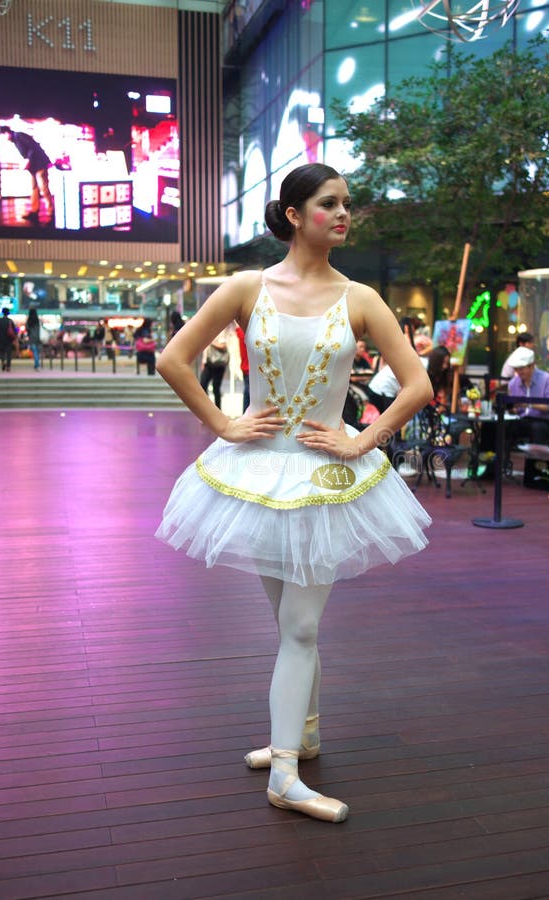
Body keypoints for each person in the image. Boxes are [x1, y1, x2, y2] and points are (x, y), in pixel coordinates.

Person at [155, 162, 432, 824]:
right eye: (328, 203)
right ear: (291, 214)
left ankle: (285, 768)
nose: (343, 214)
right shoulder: (247, 286)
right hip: (255, 469)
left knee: (299, 625)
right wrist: (222, 422)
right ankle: (299, 739)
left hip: (325, 476)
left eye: (346, 204)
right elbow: (172, 359)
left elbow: (417, 384)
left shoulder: (360, 297)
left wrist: (364, 439)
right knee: (293, 625)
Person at [505, 346, 549, 488]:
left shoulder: (547, 380)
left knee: (537, 429)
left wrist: (527, 404)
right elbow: (513, 407)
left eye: (522, 369)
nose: (519, 372)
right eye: (517, 369)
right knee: (500, 427)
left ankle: (538, 472)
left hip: (543, 420)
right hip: (522, 419)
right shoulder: (513, 383)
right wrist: (513, 408)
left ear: (532, 366)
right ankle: (494, 465)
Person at [0, 126, 54, 224]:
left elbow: (33, 147)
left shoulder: (18, 135)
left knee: (43, 188)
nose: (3, 138)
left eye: (3, 135)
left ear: (6, 132)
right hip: (33, 167)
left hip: (39, 164)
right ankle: (34, 211)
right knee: (34, 188)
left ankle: (51, 211)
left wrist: (27, 160)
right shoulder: (15, 140)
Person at [365, 333, 432, 412]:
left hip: (377, 387)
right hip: (382, 390)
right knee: (389, 419)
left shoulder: (416, 360)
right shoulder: (423, 363)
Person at [200, 332, 230, 408]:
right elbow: (206, 349)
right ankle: (206, 407)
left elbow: (224, 346)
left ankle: (218, 409)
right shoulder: (208, 332)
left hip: (218, 364)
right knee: (203, 384)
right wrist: (203, 361)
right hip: (209, 363)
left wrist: (211, 342)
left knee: (216, 388)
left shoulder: (221, 332)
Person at [0, 307, 17, 371]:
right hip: (9, 340)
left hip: (1, 339)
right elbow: (14, 331)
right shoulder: (10, 321)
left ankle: (3, 363)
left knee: (2, 352)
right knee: (9, 353)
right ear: (8, 313)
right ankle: (8, 366)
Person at [235, 323, 250, 412]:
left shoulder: (241, 332)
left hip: (246, 368)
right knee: (249, 396)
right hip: (249, 369)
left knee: (247, 394)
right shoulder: (245, 333)